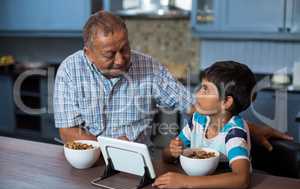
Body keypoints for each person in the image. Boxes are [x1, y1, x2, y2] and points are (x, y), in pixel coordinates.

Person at [53, 11, 292, 150]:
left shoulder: (148, 67)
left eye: (125, 49)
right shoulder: (69, 71)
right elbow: (69, 133)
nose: (120, 60)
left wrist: (250, 128)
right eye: (109, 54)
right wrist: (113, 148)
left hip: (138, 165)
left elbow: (197, 107)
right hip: (88, 161)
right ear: (88, 52)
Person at [153, 61, 256, 189]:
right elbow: (165, 156)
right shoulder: (198, 119)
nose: (197, 94)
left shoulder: (234, 132)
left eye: (206, 90)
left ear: (226, 102)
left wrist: (185, 182)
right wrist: (172, 151)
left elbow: (242, 179)